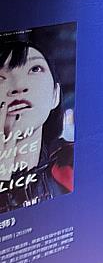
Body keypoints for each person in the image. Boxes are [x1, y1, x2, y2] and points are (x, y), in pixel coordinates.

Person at [0, 38, 73, 212]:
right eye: (1, 77)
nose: (18, 86)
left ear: (55, 95)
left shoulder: (72, 161)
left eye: (35, 69)